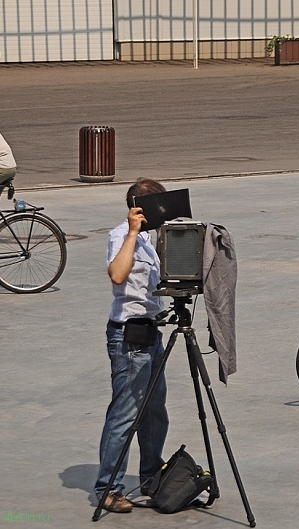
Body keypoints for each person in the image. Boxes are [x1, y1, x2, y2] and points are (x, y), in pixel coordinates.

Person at [94, 178, 170, 512]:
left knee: (155, 414)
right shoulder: (120, 237)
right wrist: (131, 233)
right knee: (125, 415)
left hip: (152, 334)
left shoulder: (155, 241)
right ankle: (108, 488)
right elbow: (117, 275)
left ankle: (152, 475)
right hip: (128, 338)